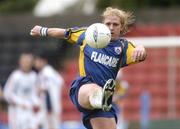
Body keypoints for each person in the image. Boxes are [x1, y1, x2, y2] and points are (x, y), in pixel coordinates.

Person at [30, 7, 147, 129]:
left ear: (121, 27)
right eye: (108, 24)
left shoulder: (124, 47)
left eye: (115, 24)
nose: (111, 27)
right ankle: (100, 97)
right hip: (83, 88)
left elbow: (141, 55)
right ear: (103, 24)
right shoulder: (89, 34)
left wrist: (141, 48)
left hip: (103, 104)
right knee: (94, 90)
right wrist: (43, 30)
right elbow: (65, 33)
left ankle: (101, 99)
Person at [3, 53, 39, 129]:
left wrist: (36, 102)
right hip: (17, 111)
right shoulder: (15, 76)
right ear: (20, 62)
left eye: (28, 62)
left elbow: (34, 93)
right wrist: (19, 102)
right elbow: (7, 93)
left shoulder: (34, 76)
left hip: (30, 109)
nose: (26, 64)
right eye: (24, 61)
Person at [33, 50, 64, 129]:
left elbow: (49, 91)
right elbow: (61, 82)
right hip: (48, 107)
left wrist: (49, 108)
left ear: (43, 61)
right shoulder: (45, 72)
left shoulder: (47, 72)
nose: (35, 63)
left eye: (37, 61)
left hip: (50, 107)